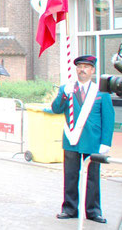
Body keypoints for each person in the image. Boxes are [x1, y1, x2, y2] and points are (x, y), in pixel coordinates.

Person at [49, 55, 114, 223]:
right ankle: (69, 209)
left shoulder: (101, 91)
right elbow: (56, 109)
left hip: (93, 141)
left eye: (86, 66)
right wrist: (64, 95)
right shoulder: (67, 88)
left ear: (92, 70)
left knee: (93, 177)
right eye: (79, 66)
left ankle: (93, 211)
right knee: (70, 176)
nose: (82, 69)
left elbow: (108, 118)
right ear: (76, 69)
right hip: (72, 140)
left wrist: (105, 142)